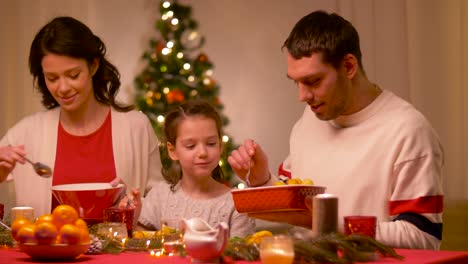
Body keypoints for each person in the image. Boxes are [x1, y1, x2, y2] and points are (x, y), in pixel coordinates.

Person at [228, 10, 443, 249]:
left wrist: (328, 223)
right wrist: (263, 180)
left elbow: (423, 238)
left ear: (349, 66)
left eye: (313, 81)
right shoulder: (308, 120)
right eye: (295, 82)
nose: (302, 96)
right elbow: (298, 208)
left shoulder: (408, 130)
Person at [0, 16, 161, 217]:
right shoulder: (25, 133)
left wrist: (135, 205)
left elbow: (160, 201)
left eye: (73, 75)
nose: (63, 88)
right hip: (45, 248)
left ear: (93, 66)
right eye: (52, 78)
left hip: (122, 248)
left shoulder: (136, 127)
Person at [122, 99, 255, 238]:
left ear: (220, 146)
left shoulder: (237, 203)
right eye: (190, 146)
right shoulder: (159, 196)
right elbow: (141, 247)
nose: (203, 152)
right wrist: (132, 221)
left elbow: (243, 255)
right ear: (172, 150)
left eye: (211, 143)